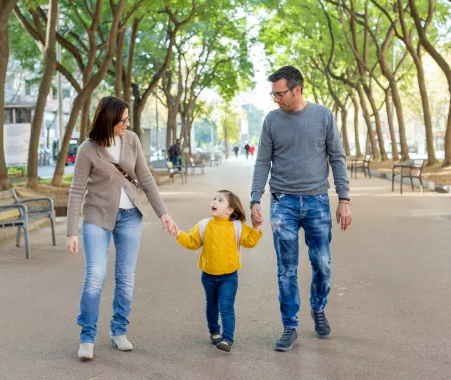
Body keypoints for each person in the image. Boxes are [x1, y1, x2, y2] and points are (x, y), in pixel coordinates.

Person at [66, 96, 178, 361]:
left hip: (130, 216)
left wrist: (163, 214)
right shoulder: (88, 149)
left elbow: (146, 177)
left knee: (125, 277)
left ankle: (119, 331)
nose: (127, 123)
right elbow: (76, 190)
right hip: (97, 216)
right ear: (108, 120)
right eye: (122, 120)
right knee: (95, 276)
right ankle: (87, 336)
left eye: (128, 119)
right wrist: (72, 230)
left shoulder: (131, 140)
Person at [250, 66, 352, 352]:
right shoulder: (271, 121)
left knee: (322, 263)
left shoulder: (322, 116)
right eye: (272, 94)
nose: (275, 99)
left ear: (297, 89)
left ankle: (318, 308)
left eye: (279, 93)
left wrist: (344, 199)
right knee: (286, 268)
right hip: (283, 202)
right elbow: (262, 163)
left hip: (317, 200)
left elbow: (337, 157)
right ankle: (290, 326)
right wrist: (255, 198)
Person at [174, 190, 262, 352]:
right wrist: (178, 233)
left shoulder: (237, 227)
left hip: (229, 277)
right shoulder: (204, 225)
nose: (214, 202)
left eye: (220, 200)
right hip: (207, 276)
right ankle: (214, 332)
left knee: (226, 306)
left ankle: (227, 338)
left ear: (230, 210)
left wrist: (256, 227)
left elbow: (250, 242)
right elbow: (192, 242)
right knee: (212, 305)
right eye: (214, 199)